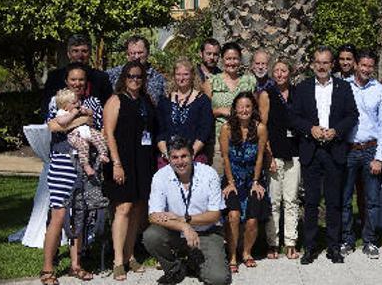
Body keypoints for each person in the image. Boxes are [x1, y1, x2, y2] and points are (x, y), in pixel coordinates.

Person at [289, 46, 359, 264]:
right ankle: (309, 247)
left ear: (332, 65)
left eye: (326, 62)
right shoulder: (302, 88)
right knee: (310, 202)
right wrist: (310, 129)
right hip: (311, 150)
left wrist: (336, 131)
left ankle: (333, 247)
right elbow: (293, 117)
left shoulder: (343, 87)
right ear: (312, 64)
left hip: (334, 150)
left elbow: (352, 115)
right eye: (318, 62)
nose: (321, 66)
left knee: (334, 202)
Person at [40, 64, 103, 284]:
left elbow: (95, 125)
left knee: (79, 215)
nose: (77, 83)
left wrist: (70, 121)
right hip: (61, 163)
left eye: (81, 80)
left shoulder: (94, 102)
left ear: (86, 82)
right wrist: (79, 119)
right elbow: (52, 127)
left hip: (83, 163)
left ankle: (76, 264)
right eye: (73, 80)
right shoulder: (56, 100)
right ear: (67, 81)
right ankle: (47, 268)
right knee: (58, 215)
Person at [145, 136, 230, 285]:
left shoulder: (209, 174)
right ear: (169, 159)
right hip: (176, 232)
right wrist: (183, 226)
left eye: (184, 156)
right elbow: (153, 216)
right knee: (151, 236)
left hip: (206, 232)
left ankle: (194, 262)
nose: (180, 161)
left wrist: (184, 219)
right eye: (175, 157)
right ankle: (175, 269)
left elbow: (215, 215)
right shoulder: (160, 176)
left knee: (218, 279)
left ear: (192, 156)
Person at [103, 61, 157, 280]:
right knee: (123, 208)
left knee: (136, 208)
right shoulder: (116, 100)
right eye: (131, 76)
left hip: (142, 160)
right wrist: (116, 163)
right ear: (123, 78)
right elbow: (108, 133)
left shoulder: (145, 100)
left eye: (139, 77)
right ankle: (118, 260)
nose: (135, 80)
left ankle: (130, 255)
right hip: (122, 162)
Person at [341, 50, 382, 258]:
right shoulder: (343, 87)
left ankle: (369, 240)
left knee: (371, 200)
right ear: (356, 65)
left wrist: (379, 157)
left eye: (370, 66)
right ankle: (346, 239)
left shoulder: (379, 91)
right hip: (348, 149)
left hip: (370, 149)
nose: (366, 69)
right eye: (363, 65)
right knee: (344, 198)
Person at [221, 92, 269, 272]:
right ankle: (232, 254)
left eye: (248, 106)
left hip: (253, 178)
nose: (244, 110)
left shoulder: (260, 128)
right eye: (240, 107)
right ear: (235, 109)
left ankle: (247, 253)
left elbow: (259, 157)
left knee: (251, 220)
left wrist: (256, 181)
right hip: (232, 178)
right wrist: (230, 182)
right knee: (233, 215)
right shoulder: (226, 128)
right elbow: (225, 157)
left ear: (253, 108)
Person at [258, 58, 301, 260]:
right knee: (274, 201)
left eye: (284, 70)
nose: (280, 74)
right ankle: (273, 243)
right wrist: (268, 155)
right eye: (276, 71)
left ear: (289, 72)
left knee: (291, 199)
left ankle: (290, 241)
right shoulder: (267, 94)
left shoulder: (297, 93)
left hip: (294, 153)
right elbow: (263, 126)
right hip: (274, 153)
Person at [203, 42, 256, 165]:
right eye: (228, 59)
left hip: (245, 140)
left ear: (240, 60)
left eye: (235, 59)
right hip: (218, 142)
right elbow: (203, 113)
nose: (231, 62)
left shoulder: (249, 81)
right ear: (222, 60)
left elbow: (256, 110)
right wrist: (220, 110)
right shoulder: (211, 82)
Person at [156, 58, 213, 168]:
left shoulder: (202, 100)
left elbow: (205, 131)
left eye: (186, 74)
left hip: (194, 157)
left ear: (192, 75)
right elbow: (159, 131)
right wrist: (169, 156)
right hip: (167, 159)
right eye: (178, 74)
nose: (181, 78)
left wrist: (190, 154)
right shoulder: (165, 100)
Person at [41, 34, 112, 115]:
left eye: (84, 51)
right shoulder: (55, 78)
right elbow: (46, 109)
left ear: (89, 54)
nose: (80, 55)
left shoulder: (101, 78)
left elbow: (109, 108)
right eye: (75, 51)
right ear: (68, 54)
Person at [52, 87, 109, 177]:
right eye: (74, 103)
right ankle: (85, 165)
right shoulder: (62, 112)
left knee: (99, 137)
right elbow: (61, 122)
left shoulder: (80, 108)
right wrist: (73, 114)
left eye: (78, 101)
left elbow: (91, 116)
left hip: (87, 130)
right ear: (65, 106)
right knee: (83, 146)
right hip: (74, 135)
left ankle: (103, 154)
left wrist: (87, 112)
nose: (77, 104)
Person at [106, 36, 166, 104]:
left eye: (140, 53)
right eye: (133, 53)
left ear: (148, 53)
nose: (137, 57)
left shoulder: (157, 78)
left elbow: (156, 102)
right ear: (127, 55)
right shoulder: (113, 74)